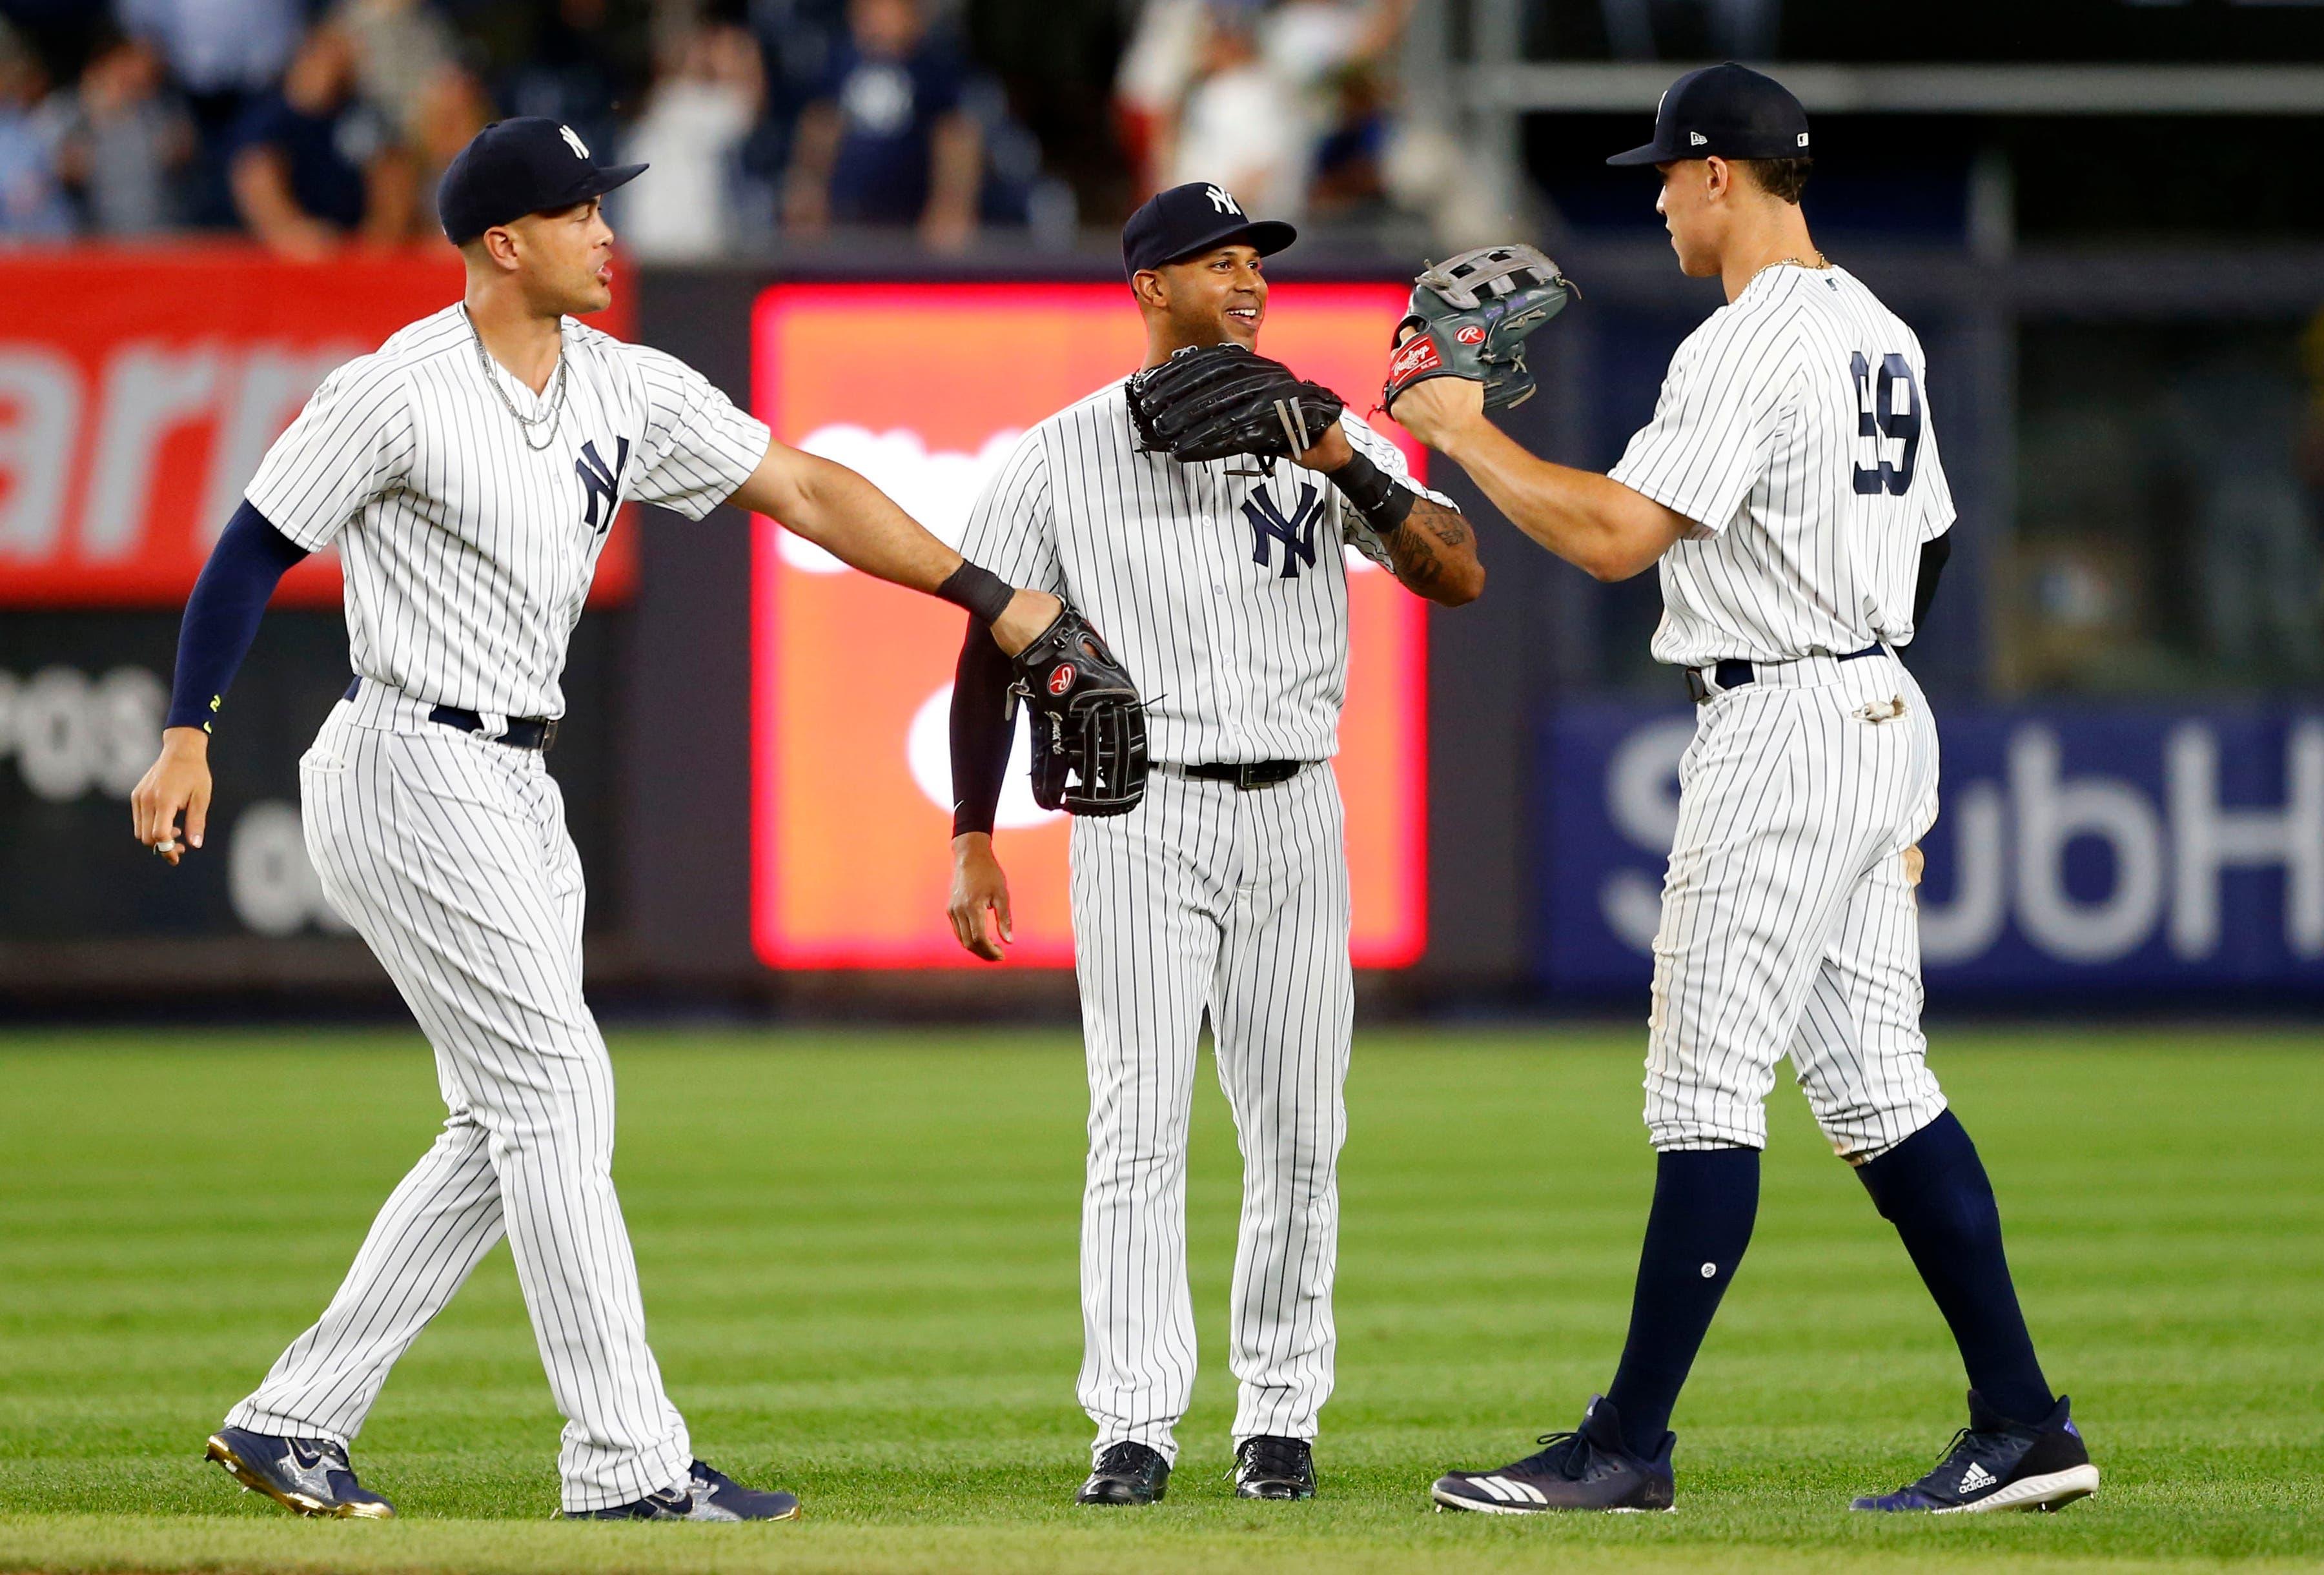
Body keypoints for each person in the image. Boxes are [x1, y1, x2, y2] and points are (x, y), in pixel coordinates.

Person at [129, 116, 1066, 1523]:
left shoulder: (624, 384)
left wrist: (988, 594)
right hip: (407, 756)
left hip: (516, 777)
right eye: (581, 212)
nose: (609, 231)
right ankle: (626, 1463)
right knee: (559, 1091)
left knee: (504, 1119)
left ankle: (293, 1415)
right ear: (506, 243)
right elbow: (251, 550)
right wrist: (186, 732)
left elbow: (805, 487)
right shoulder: (399, 389)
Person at [1389, 65, 2100, 1516]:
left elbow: (1609, 537)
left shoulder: (1749, 344)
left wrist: (1460, 429)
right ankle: (2026, 1423)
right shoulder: (1879, 330)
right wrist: (1881, 750)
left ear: (1722, 174)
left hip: (1781, 716)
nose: (1652, 198)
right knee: (1878, 1088)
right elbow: (1937, 547)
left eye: (1664, 173)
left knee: (1703, 1089)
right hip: (1871, 695)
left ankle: (1624, 1446)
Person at [945, 180, 1482, 1507]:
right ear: (1149, 286)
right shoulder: (1057, 453)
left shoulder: (1319, 427)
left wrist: (1346, 460)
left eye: (1258, 262)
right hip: (1143, 813)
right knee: (1137, 1123)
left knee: (1301, 1130)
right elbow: (987, 650)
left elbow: (1459, 571)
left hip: (1299, 806)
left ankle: (1280, 1414)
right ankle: (1131, 1422)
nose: (1248, 282)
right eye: (1216, 261)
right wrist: (973, 831)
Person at [781, 0, 980, 250]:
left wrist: (952, 201)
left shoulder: (933, 67)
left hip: (913, 220)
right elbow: (821, 125)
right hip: (845, 219)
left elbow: (954, 136)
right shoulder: (839, 62)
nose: (873, 18)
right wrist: (808, 189)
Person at [226, 25, 412, 258]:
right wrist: (291, 232)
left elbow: (391, 176)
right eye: (324, 58)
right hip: (288, 251)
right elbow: (256, 178)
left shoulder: (359, 114)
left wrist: (381, 235)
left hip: (356, 246)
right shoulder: (270, 117)